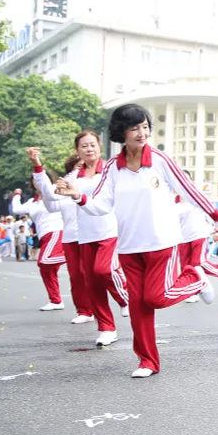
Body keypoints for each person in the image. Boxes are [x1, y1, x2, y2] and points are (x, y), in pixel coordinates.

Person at [56, 104, 218, 378]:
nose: (142, 132)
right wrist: (79, 196)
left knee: (155, 298)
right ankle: (147, 361)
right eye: (135, 128)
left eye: (145, 126)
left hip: (162, 242)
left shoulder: (159, 159)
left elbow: (189, 189)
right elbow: (101, 205)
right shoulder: (112, 168)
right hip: (129, 247)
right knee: (138, 306)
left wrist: (216, 214)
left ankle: (195, 278)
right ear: (122, 132)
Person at [62, 130, 129, 346]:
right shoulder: (74, 177)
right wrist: (59, 189)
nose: (89, 149)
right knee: (92, 283)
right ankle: (107, 328)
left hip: (108, 230)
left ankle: (124, 296)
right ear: (77, 151)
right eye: (84, 146)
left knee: (104, 270)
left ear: (99, 147)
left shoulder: (111, 170)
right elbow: (56, 196)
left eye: (92, 145)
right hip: (85, 234)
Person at [30, 149, 95, 324]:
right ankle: (85, 311)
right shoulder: (64, 191)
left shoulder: (96, 181)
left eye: (85, 166)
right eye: (78, 166)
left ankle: (121, 298)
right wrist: (37, 165)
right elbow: (49, 197)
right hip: (71, 237)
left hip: (95, 236)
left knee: (101, 273)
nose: (82, 169)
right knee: (78, 276)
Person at [11, 179, 67, 311]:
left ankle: (75, 256)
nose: (38, 182)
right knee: (46, 270)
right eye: (35, 180)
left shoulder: (55, 192)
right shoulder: (32, 202)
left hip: (56, 230)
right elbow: (16, 210)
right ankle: (56, 301)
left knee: (44, 262)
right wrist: (17, 195)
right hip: (43, 236)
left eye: (40, 179)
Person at [176, 173, 218, 300]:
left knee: (198, 263)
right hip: (182, 238)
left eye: (186, 179)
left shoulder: (197, 196)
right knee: (186, 267)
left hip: (199, 234)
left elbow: (212, 211)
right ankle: (192, 293)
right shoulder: (173, 200)